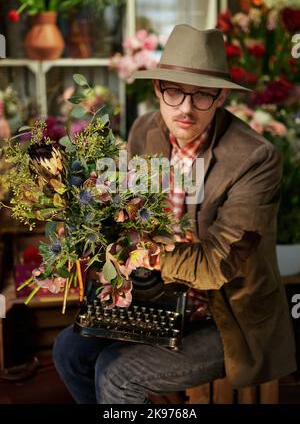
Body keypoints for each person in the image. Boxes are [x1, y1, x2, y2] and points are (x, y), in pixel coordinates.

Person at [53, 24, 296, 404]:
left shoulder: (255, 159)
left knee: (116, 374)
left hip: (226, 316)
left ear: (220, 99)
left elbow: (219, 262)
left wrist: (146, 254)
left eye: (202, 96)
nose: (185, 107)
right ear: (157, 89)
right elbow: (127, 215)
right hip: (159, 297)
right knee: (68, 351)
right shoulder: (144, 131)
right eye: (175, 91)